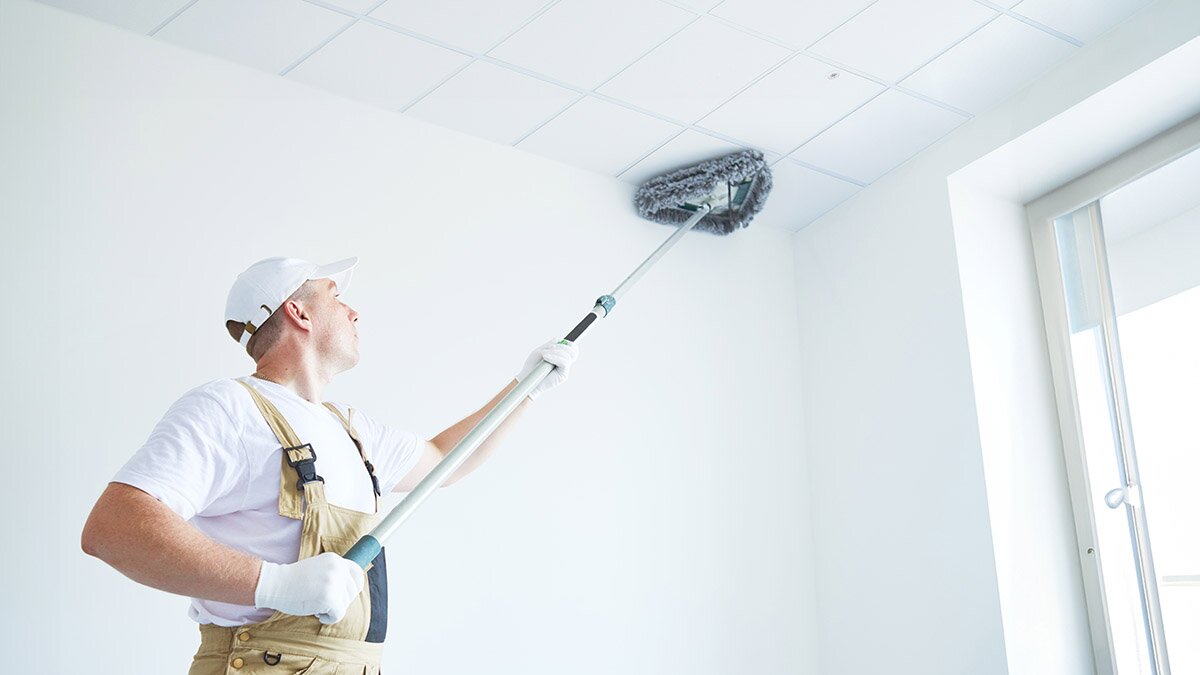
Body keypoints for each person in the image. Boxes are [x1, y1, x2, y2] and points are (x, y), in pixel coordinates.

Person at [80, 256, 578, 674]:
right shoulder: (229, 407)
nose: (354, 311)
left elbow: (443, 461)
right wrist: (273, 584)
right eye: (336, 296)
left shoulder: (352, 431)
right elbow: (113, 528)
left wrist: (526, 389)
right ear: (297, 311)